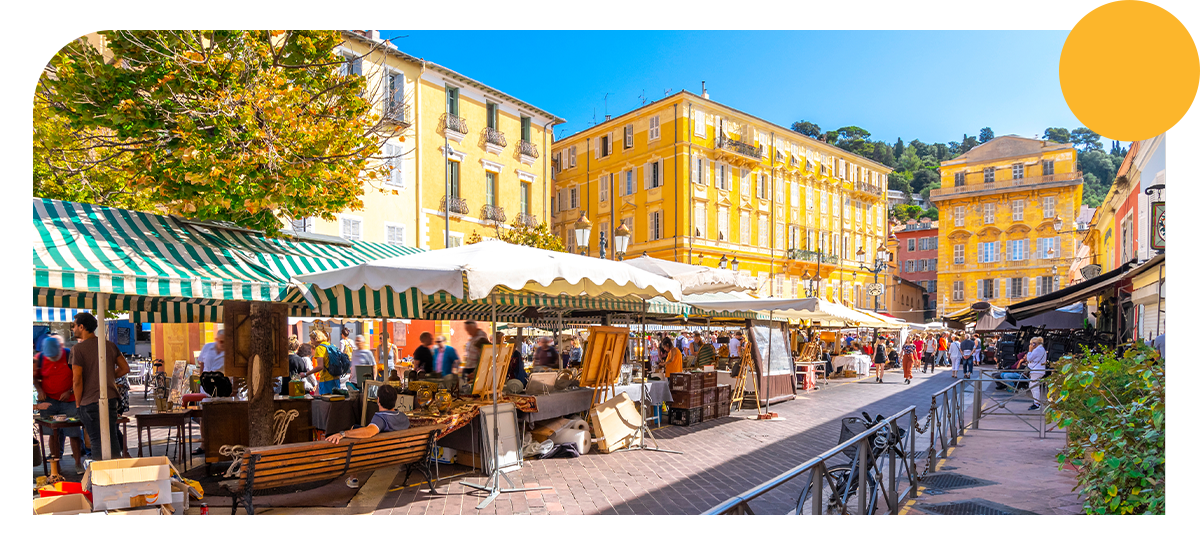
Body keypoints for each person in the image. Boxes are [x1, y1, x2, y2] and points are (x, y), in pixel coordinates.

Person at [70, 312, 130, 460]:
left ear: (81, 327)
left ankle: (100, 477)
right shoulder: (109, 345)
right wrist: (106, 377)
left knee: (96, 440)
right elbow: (125, 368)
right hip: (110, 398)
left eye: (74, 326)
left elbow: (77, 380)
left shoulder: (77, 350)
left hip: (89, 401)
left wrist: (78, 404)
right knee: (112, 437)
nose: (72, 329)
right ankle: (116, 472)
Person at [324, 384, 409, 488]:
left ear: (378, 400)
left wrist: (343, 433)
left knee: (354, 434)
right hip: (401, 452)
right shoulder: (402, 416)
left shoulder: (381, 418)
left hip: (380, 455)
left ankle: (353, 478)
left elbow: (370, 432)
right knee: (356, 428)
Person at [35, 335, 86, 473]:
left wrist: (70, 391)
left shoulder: (70, 355)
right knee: (53, 433)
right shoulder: (39, 358)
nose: (52, 359)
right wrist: (39, 389)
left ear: (60, 349)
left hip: (69, 400)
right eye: (49, 357)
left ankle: (78, 463)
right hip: (49, 401)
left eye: (55, 356)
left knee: (73, 433)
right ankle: (55, 466)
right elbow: (33, 375)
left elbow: (80, 377)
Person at [304, 329, 344, 395]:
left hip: (326, 380)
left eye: (311, 340)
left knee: (326, 402)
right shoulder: (331, 345)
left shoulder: (319, 348)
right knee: (335, 400)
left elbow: (320, 366)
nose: (311, 343)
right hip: (336, 378)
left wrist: (306, 374)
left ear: (316, 339)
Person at [197, 330, 232, 397]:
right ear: (216, 339)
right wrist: (201, 380)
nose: (223, 344)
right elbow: (202, 365)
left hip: (223, 389)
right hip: (206, 389)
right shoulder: (206, 347)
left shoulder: (230, 352)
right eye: (221, 341)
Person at [461, 321, 489, 385]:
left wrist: (476, 372)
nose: (468, 332)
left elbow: (482, 359)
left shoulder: (481, 336)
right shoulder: (472, 337)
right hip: (471, 367)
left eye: (469, 330)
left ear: (474, 328)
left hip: (475, 367)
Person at [1026, 337, 1048, 411]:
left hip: (1036, 371)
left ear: (1035, 343)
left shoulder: (1037, 349)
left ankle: (1036, 404)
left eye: (1031, 344)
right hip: (1038, 370)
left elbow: (1029, 358)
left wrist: (1029, 351)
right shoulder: (1041, 349)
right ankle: (1036, 402)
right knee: (1033, 386)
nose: (1031, 345)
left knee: (1034, 387)